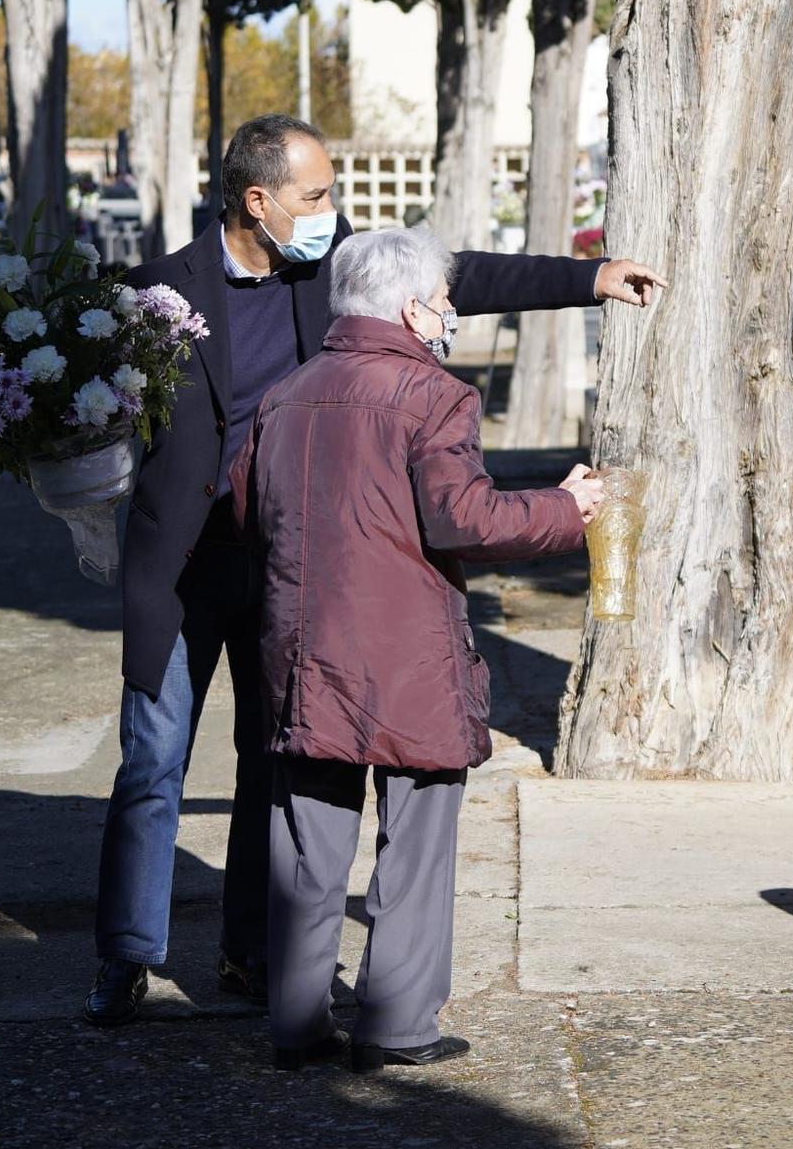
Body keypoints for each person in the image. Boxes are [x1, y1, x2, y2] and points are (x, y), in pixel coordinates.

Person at [84, 114, 664, 1025]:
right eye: (315, 195)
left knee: (268, 767)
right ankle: (124, 957)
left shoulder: (333, 269)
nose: (332, 212)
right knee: (152, 761)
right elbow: (92, 407)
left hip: (288, 566)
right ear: (256, 200)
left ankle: (250, 953)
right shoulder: (160, 290)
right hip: (180, 570)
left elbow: (451, 270)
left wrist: (589, 278)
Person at [229, 227, 602, 1071]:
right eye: (444, 301)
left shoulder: (284, 394)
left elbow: (248, 509)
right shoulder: (434, 397)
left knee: (305, 847)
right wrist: (566, 507)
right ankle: (396, 1022)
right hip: (404, 652)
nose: (449, 315)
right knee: (418, 839)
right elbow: (464, 518)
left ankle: (294, 1020)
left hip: (302, 650)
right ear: (410, 307)